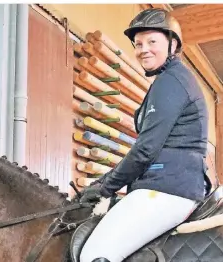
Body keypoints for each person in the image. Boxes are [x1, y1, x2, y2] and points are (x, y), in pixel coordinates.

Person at [79, 8, 209, 262]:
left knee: (94, 254)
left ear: (173, 44)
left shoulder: (171, 81)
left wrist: (104, 187)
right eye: (138, 44)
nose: (143, 49)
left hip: (169, 189)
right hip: (169, 185)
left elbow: (145, 150)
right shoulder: (170, 80)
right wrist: (103, 183)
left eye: (152, 42)